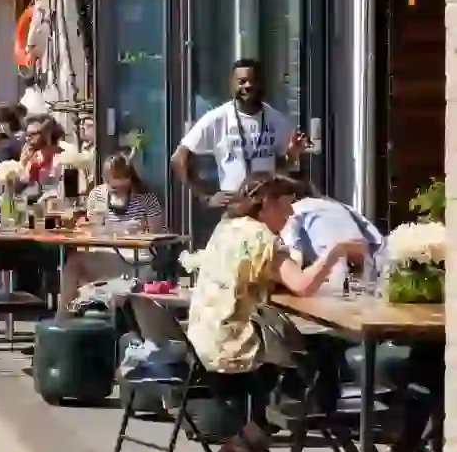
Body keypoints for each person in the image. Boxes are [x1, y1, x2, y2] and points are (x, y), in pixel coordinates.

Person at [186, 172, 367, 452]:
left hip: (202, 339)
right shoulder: (263, 240)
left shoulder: (226, 228)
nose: (292, 212)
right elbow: (303, 285)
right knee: (322, 355)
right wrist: (337, 250)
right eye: (286, 205)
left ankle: (249, 440)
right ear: (266, 204)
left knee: (300, 349)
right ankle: (256, 435)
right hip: (233, 349)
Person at [172, 58, 309, 209]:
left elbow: (281, 168)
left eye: (253, 81)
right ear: (232, 85)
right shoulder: (217, 118)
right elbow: (179, 159)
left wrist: (292, 155)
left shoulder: (277, 121)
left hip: (267, 208)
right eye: (242, 81)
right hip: (233, 208)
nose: (248, 86)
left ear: (262, 84)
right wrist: (205, 197)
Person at [57, 153, 164, 317]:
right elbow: (94, 229)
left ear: (129, 178)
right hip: (107, 255)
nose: (114, 185)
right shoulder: (97, 195)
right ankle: (64, 320)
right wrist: (113, 228)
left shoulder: (146, 198)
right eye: (109, 180)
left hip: (137, 260)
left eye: (119, 179)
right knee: (73, 263)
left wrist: (138, 230)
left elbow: (156, 234)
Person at [280, 180, 385, 289]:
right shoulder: (340, 206)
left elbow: (294, 258)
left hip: (335, 268)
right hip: (365, 263)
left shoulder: (295, 210)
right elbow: (376, 240)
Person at [18, 115, 66, 190]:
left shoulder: (60, 155)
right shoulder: (30, 155)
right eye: (27, 134)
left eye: (33, 134)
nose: (28, 138)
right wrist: (22, 164)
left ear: (47, 134)